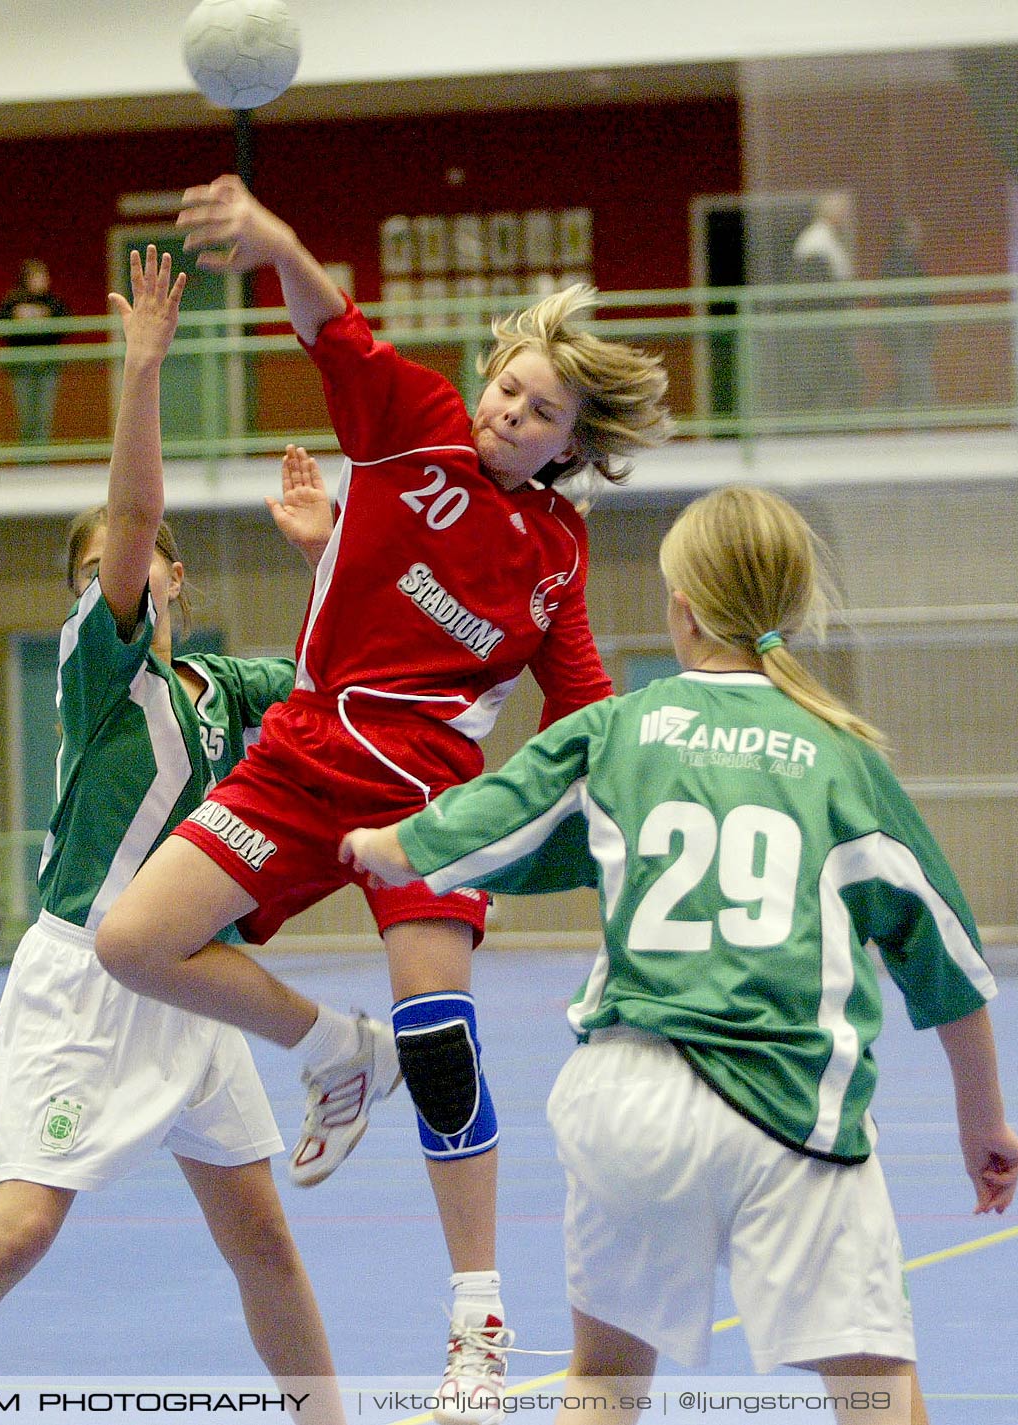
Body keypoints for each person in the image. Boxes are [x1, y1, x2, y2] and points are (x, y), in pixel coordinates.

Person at [93, 174, 671, 1425]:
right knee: (133, 941)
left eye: (541, 412)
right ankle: (331, 1051)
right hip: (301, 764)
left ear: (572, 444)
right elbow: (329, 323)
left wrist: (646, 789)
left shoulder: (557, 556)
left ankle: (478, 1328)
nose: (512, 413)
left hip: (429, 803)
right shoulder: (407, 421)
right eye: (510, 386)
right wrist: (277, 240)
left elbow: (580, 705)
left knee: (442, 1037)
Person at [341, 485, 1018, 1425]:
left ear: (685, 607)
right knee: (877, 1386)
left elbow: (488, 820)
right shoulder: (842, 758)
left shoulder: (620, 729)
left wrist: (393, 843)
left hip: (632, 1105)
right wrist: (983, 1120)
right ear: (785, 610)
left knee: (604, 1381)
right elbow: (942, 954)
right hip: (792, 1111)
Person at [0, 245, 345, 1424]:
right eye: (92, 570)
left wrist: (326, 558)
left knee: (262, 1233)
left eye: (133, 563)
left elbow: (335, 679)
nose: (109, 573)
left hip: (189, 986)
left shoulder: (226, 685)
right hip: (84, 978)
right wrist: (143, 367)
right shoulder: (99, 675)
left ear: (180, 578)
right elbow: (132, 504)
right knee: (20, 1232)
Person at [785, 192, 862, 416]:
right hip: (823, 325)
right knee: (825, 375)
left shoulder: (827, 238)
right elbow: (816, 288)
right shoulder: (815, 242)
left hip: (831, 323)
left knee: (840, 375)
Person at [0, 257, 71, 445]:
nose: (43, 280)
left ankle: (41, 459)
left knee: (44, 414)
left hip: (49, 364)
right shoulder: (13, 300)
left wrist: (43, 315)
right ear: (27, 279)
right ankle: (27, 461)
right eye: (38, 276)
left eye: (44, 276)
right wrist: (20, 314)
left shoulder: (54, 302)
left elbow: (66, 324)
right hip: (21, 365)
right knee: (25, 414)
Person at [880, 215, 936, 409]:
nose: (920, 235)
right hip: (908, 331)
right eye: (915, 231)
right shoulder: (900, 263)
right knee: (916, 380)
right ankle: (920, 427)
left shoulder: (904, 261)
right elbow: (902, 300)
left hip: (910, 331)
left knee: (910, 379)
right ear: (904, 235)